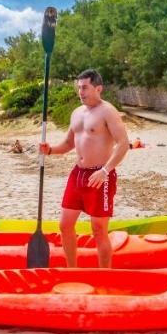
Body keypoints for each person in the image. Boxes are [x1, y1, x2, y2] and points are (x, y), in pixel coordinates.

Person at [38, 69, 130, 268]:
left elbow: (123, 143)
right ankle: (73, 270)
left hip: (100, 175)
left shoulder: (107, 111)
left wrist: (105, 171)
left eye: (85, 87)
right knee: (65, 225)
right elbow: (68, 143)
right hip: (78, 174)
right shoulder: (76, 113)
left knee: (98, 230)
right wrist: (50, 150)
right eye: (79, 88)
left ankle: (104, 275)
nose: (81, 92)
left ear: (98, 88)